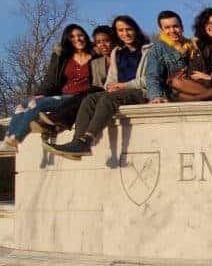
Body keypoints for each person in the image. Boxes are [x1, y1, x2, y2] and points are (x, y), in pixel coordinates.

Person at [0, 23, 100, 158]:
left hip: (78, 97)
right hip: (63, 95)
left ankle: (14, 141)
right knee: (24, 103)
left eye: (80, 35)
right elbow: (51, 79)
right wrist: (40, 94)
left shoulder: (95, 55)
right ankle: (8, 141)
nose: (77, 39)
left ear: (85, 36)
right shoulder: (63, 58)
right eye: (72, 37)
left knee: (36, 105)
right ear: (68, 40)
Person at [45, 15, 153, 159]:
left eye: (129, 29)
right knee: (90, 99)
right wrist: (110, 85)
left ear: (135, 30)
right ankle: (77, 143)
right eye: (120, 30)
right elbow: (112, 77)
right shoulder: (117, 52)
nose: (125, 34)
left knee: (107, 100)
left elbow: (150, 78)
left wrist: (123, 85)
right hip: (119, 91)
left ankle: (87, 140)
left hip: (141, 91)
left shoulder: (149, 50)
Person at [144, 10, 195, 104]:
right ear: (162, 30)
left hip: (195, 87)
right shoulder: (158, 49)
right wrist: (156, 96)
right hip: (174, 94)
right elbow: (153, 75)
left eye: (176, 26)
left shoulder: (194, 46)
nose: (172, 31)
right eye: (167, 27)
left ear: (182, 27)